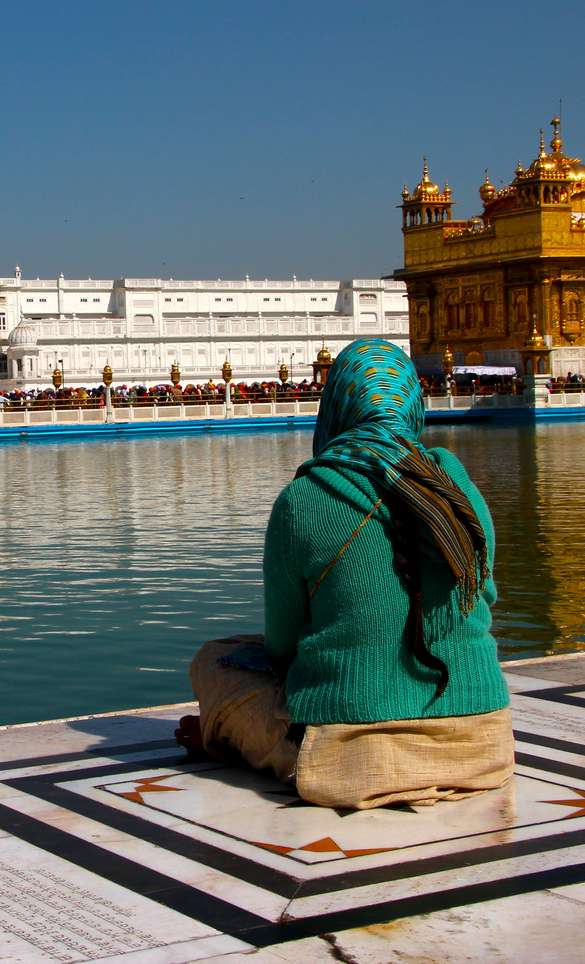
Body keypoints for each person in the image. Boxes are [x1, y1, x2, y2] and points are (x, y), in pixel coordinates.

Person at [176, 339, 513, 809]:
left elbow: (284, 647)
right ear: (413, 402)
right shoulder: (458, 490)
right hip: (481, 745)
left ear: (336, 404)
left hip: (349, 755)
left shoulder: (306, 499)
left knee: (217, 660)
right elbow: (483, 598)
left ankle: (228, 735)